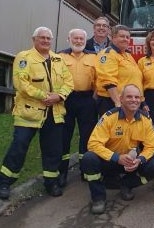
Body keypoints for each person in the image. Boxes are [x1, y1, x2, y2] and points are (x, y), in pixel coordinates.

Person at [0, 27, 73, 200]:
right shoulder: (24, 57)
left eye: (48, 38)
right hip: (29, 113)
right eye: (42, 38)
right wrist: (44, 96)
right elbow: (21, 83)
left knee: (53, 149)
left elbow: (69, 81)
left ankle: (50, 182)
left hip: (54, 112)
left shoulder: (58, 59)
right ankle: (4, 182)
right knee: (19, 147)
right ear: (34, 39)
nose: (46, 41)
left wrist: (59, 96)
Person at [82, 84, 154, 214]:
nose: (134, 100)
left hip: (131, 163)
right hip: (110, 160)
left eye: (137, 97)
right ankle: (98, 198)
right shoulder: (109, 117)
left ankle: (127, 184)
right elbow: (93, 144)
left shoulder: (145, 120)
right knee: (89, 158)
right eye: (129, 96)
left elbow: (151, 146)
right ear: (121, 99)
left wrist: (140, 160)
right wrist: (116, 158)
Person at [58, 29, 98, 187]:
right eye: (75, 38)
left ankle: (85, 170)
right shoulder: (60, 56)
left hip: (87, 100)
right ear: (69, 39)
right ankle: (62, 173)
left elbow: (98, 79)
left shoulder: (93, 57)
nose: (79, 41)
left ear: (85, 40)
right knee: (64, 136)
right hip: (66, 99)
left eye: (82, 38)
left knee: (87, 136)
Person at [95, 25, 143, 117]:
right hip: (112, 102)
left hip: (129, 102)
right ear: (113, 38)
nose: (125, 39)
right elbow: (108, 81)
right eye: (122, 36)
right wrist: (118, 104)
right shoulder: (108, 54)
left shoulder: (128, 55)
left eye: (127, 37)